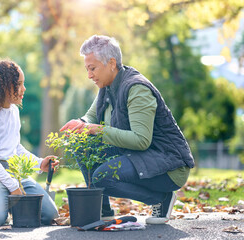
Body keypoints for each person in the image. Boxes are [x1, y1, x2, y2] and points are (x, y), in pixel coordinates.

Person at [60, 35, 195, 224]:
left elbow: (141, 140)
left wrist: (96, 130)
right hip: (139, 155)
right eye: (87, 69)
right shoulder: (107, 86)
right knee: (83, 145)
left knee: (102, 177)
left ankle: (162, 199)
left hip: (168, 164)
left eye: (93, 68)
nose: (89, 75)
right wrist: (80, 123)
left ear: (111, 63)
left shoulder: (137, 89)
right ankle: (103, 210)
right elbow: (90, 117)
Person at [0, 59, 59, 228]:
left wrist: (40, 164)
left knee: (49, 214)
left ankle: (2, 200)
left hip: (12, 168)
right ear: (4, 87)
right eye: (19, 84)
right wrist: (13, 186)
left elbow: (15, 147)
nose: (24, 89)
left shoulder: (14, 111)